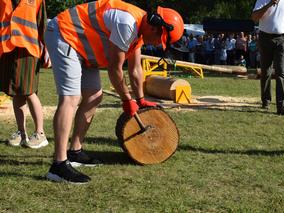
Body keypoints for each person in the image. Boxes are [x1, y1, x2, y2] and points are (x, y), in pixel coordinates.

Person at [44, 0, 184, 183]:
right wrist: (127, 100)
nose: (158, 44)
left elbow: (135, 70)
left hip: (81, 45)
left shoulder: (139, 28)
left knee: (94, 96)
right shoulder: (127, 23)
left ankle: (75, 152)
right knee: (71, 98)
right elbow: (114, 69)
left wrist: (140, 100)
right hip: (64, 34)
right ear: (155, 28)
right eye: (161, 40)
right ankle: (58, 165)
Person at [0, 0, 50, 149]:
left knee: (28, 90)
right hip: (8, 48)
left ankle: (40, 134)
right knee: (16, 92)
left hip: (28, 50)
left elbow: (43, 25)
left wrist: (47, 51)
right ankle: (22, 133)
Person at [252, 0, 284, 115]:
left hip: (283, 39)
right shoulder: (262, 0)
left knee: (281, 72)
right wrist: (270, 3)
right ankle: (266, 101)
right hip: (265, 38)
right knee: (266, 71)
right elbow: (255, 17)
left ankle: (281, 106)